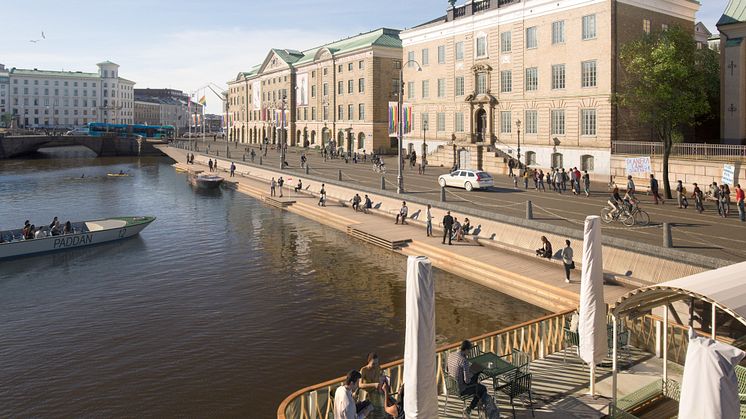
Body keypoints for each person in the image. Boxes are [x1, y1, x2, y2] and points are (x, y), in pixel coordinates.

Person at [447, 340, 488, 418]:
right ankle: (469, 409)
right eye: (469, 351)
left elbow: (448, 369)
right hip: (462, 388)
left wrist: (469, 372)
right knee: (483, 389)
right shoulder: (463, 360)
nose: (469, 353)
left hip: (452, 385)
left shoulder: (451, 355)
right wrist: (470, 374)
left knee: (476, 370)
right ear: (466, 350)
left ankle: (477, 395)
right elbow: (467, 381)